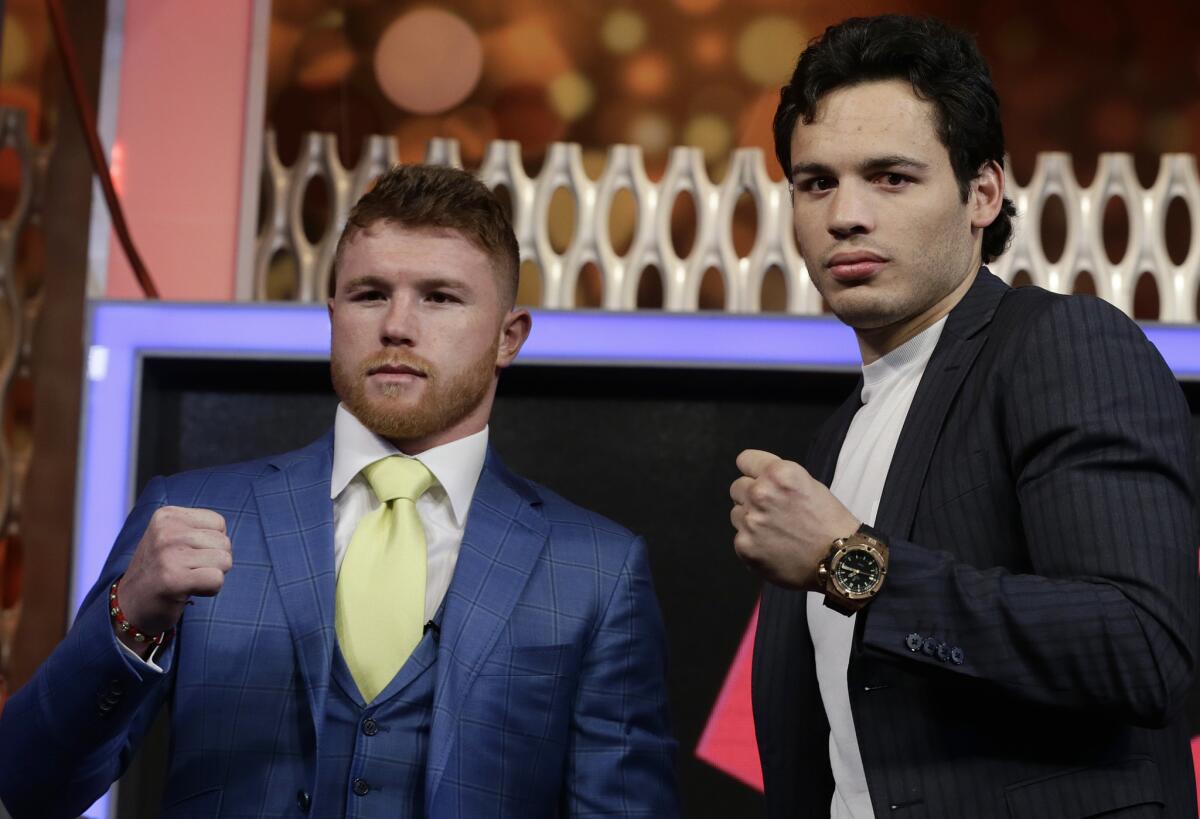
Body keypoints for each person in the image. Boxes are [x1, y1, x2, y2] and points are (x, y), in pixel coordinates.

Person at [0, 164, 679, 818]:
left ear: (509, 337)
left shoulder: (595, 569)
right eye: (370, 293)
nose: (397, 326)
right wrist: (129, 618)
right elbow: (28, 786)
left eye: (439, 297)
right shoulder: (194, 514)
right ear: (333, 315)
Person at [730, 14, 1198, 819]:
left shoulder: (1060, 345)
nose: (846, 214)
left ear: (983, 192)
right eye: (817, 182)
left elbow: (1139, 645)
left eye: (891, 177)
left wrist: (853, 563)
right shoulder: (840, 433)